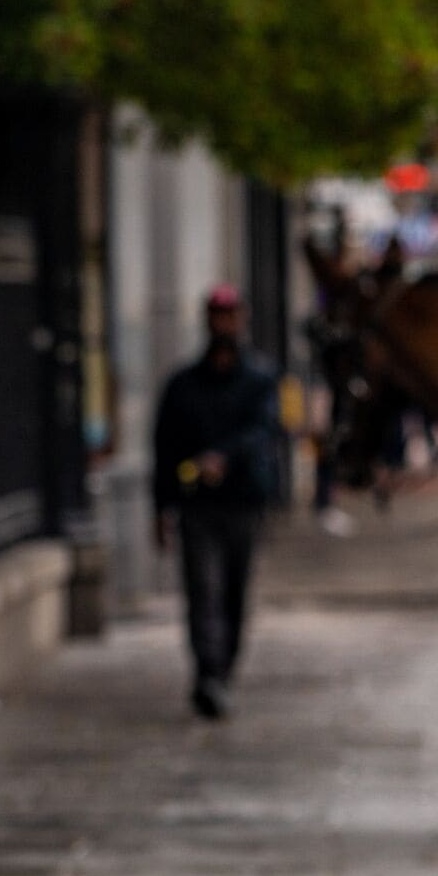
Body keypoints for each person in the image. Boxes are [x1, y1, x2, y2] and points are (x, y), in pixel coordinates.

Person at [153, 284, 284, 719]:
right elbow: (164, 448)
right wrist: (161, 507)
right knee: (202, 590)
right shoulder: (183, 385)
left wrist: (224, 458)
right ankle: (207, 673)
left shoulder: (260, 379)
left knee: (233, 590)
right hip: (197, 506)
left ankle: (224, 668)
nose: (224, 324)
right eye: (217, 315)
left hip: (243, 502)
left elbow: (265, 431)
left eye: (231, 315)